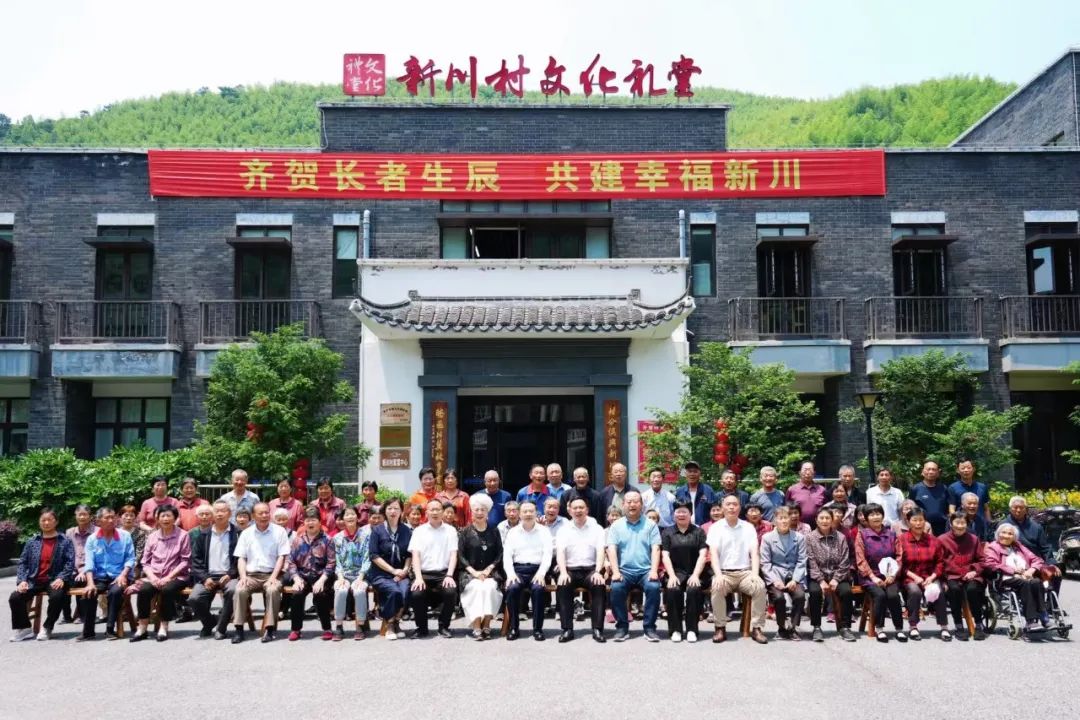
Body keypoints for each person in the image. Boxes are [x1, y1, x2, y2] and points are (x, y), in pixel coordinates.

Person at [707, 495, 768, 644]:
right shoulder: (715, 528)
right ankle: (720, 627)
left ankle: (757, 628)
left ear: (739, 508)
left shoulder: (748, 527)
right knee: (716, 586)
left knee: (759, 586)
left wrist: (755, 574)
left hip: (745, 572)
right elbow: (713, 554)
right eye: (728, 504)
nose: (731, 507)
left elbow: (754, 553)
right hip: (724, 573)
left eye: (735, 504)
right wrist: (718, 575)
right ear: (723, 508)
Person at [9, 508, 74, 642]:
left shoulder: (65, 541)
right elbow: (23, 562)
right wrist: (22, 580)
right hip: (34, 580)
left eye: (49, 520)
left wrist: (62, 577)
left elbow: (69, 562)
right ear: (39, 522)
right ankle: (25, 629)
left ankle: (47, 627)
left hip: (54, 579)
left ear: (56, 522)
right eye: (43, 520)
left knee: (57, 596)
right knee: (15, 597)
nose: (46, 523)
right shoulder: (32, 541)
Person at [607, 490, 662, 642]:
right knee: (616, 588)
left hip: (646, 570)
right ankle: (622, 627)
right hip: (624, 571)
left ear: (642, 505)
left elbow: (656, 549)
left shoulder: (650, 525)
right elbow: (612, 549)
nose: (632, 505)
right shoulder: (616, 525)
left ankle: (649, 628)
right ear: (623, 504)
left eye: (636, 501)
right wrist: (616, 572)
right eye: (629, 502)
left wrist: (653, 571)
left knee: (653, 587)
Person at [232, 502, 290, 644]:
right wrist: (243, 576)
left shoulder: (279, 531)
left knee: (272, 590)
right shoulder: (246, 533)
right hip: (251, 575)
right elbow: (241, 558)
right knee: (239, 590)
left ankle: (269, 629)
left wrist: (273, 577)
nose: (264, 515)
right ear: (253, 516)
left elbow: (281, 557)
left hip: (272, 574)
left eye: (266, 512)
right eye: (260, 513)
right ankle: (239, 629)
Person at [130, 505, 190, 642]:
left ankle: (164, 626)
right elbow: (145, 562)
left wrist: (168, 577)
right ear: (157, 518)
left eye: (169, 515)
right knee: (144, 590)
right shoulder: (152, 537)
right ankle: (142, 627)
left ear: (175, 518)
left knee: (167, 590)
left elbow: (185, 561)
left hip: (176, 576)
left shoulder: (183, 535)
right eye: (162, 516)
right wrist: (152, 577)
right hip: (155, 576)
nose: (165, 519)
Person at [554, 496, 607, 643]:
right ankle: (567, 629)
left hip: (590, 570)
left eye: (581, 508)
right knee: (563, 584)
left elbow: (601, 551)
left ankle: (597, 629)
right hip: (570, 569)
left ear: (587, 510)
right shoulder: (563, 530)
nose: (578, 510)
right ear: (569, 511)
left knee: (598, 585)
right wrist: (563, 572)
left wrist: (598, 571)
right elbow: (560, 553)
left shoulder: (597, 529)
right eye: (575, 508)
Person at [80, 507, 135, 641]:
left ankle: (110, 628)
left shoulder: (125, 536)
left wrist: (123, 575)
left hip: (120, 576)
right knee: (89, 593)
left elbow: (130, 559)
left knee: (115, 592)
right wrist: (90, 583)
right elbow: (89, 563)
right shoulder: (92, 539)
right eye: (107, 518)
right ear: (98, 521)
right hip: (100, 577)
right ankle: (88, 631)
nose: (111, 520)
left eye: (113, 517)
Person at [985, 523, 1051, 631]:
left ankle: (1043, 616)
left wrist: (1031, 570)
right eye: (1003, 532)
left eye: (1010, 534)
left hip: (1025, 576)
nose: (1006, 536)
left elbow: (1037, 560)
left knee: (1036, 582)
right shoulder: (993, 547)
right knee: (1025, 583)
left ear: (1014, 537)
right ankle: (1030, 621)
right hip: (1004, 578)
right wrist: (1013, 571)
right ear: (998, 534)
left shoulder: (1019, 546)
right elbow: (990, 564)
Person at [502, 499, 553, 641]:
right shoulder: (513, 532)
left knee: (538, 589)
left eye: (531, 511)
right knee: (512, 588)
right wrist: (510, 574)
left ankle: (537, 629)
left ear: (536, 513)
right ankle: (514, 628)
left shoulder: (544, 531)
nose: (528, 514)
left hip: (537, 570)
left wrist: (541, 573)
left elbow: (548, 555)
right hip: (518, 570)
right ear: (519, 514)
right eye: (525, 511)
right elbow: (507, 556)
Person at [188, 500, 239, 640]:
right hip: (208, 576)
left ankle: (221, 628)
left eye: (223, 511)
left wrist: (231, 574)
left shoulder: (237, 534)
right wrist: (205, 578)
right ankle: (210, 622)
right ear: (212, 514)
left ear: (229, 513)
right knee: (194, 598)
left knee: (233, 590)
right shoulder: (203, 534)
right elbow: (196, 560)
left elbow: (241, 559)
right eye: (217, 511)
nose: (220, 514)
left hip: (229, 576)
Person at [855, 502, 906, 642]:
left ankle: (899, 629)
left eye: (878, 514)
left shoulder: (891, 534)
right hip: (870, 576)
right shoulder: (862, 535)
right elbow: (860, 558)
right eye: (871, 514)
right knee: (880, 595)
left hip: (890, 575)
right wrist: (873, 577)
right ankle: (880, 628)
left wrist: (892, 575)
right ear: (866, 518)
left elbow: (899, 556)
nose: (876, 517)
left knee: (893, 595)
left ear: (882, 516)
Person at [408, 499, 459, 638]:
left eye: (438, 509)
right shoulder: (419, 531)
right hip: (423, 573)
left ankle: (444, 626)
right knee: (417, 593)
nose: (435, 512)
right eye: (432, 509)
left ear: (442, 512)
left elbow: (453, 554)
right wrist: (418, 578)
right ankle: (422, 628)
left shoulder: (450, 530)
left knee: (450, 592)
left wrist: (449, 575)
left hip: (443, 573)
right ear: (427, 512)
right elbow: (415, 556)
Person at [806, 507, 857, 642]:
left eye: (827, 518)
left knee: (846, 591)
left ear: (832, 520)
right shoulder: (810, 538)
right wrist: (820, 580)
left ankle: (845, 627)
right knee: (815, 592)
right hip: (818, 576)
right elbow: (811, 561)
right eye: (821, 518)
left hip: (838, 575)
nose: (824, 521)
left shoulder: (840, 537)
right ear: (816, 520)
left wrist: (836, 579)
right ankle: (816, 627)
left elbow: (845, 560)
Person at [660, 500, 708, 644]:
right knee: (673, 590)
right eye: (678, 512)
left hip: (695, 572)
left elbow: (703, 555)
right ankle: (676, 630)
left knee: (694, 590)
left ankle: (692, 629)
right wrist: (671, 575)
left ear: (690, 514)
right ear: (674, 514)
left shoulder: (698, 532)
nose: (681, 514)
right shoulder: (667, 532)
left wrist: (696, 575)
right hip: (675, 572)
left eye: (684, 512)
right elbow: (665, 556)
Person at [285, 506, 336, 641]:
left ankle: (327, 628)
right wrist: (296, 579)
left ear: (320, 522)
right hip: (302, 576)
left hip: (321, 576)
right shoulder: (297, 540)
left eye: (313, 520)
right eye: (307, 520)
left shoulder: (328, 540)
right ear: (304, 522)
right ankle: (295, 629)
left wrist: (322, 580)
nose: (310, 523)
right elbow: (291, 562)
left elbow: (331, 563)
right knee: (297, 594)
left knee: (320, 594)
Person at [898, 508, 949, 640]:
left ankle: (944, 626)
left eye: (921, 520)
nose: (918, 523)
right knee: (915, 592)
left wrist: (932, 577)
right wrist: (915, 577)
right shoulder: (901, 540)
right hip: (909, 577)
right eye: (914, 520)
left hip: (930, 576)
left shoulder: (934, 540)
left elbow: (940, 562)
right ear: (908, 522)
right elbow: (899, 563)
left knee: (939, 590)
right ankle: (913, 626)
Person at [458, 494, 503, 641]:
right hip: (470, 573)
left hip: (491, 572)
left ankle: (487, 624)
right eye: (476, 510)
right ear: (472, 512)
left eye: (483, 509)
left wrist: (489, 569)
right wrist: (475, 573)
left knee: (489, 588)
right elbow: (460, 555)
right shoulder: (465, 532)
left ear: (487, 512)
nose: (479, 512)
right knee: (476, 588)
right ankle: (477, 626)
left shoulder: (494, 531)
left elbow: (500, 553)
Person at [938, 511, 988, 641]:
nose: (960, 526)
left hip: (971, 574)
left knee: (973, 590)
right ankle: (958, 625)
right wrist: (943, 579)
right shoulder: (942, 540)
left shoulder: (974, 539)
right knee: (954, 590)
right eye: (957, 523)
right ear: (951, 523)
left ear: (967, 524)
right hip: (951, 575)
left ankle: (978, 624)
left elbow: (982, 560)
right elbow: (939, 562)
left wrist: (974, 571)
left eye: (963, 523)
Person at [760, 506, 807, 640]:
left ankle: (793, 627)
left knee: (800, 596)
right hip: (775, 575)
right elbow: (765, 563)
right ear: (775, 520)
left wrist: (795, 580)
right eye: (780, 518)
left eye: (786, 517)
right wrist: (775, 580)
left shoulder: (799, 537)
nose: (784, 521)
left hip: (793, 574)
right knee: (779, 598)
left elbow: (802, 560)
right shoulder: (767, 538)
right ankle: (781, 627)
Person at [368, 498, 411, 640]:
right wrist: (393, 571)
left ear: (401, 511)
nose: (393, 511)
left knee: (405, 590)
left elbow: (409, 554)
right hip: (381, 574)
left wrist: (404, 570)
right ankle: (390, 624)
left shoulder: (406, 530)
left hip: (401, 573)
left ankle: (396, 621)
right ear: (384, 511)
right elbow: (374, 556)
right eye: (390, 508)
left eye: (396, 508)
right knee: (394, 591)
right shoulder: (377, 530)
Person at [1007, 495, 1063, 594]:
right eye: (1015, 507)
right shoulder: (1004, 526)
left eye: (1021, 507)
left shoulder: (1036, 527)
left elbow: (1045, 548)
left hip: (1036, 563)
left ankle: (1051, 603)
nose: (1018, 510)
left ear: (1026, 509)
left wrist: (1052, 564)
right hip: (1016, 564)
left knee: (1055, 573)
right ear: (1010, 509)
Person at [332, 506, 370, 641]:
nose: (350, 517)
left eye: (352, 514)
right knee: (340, 590)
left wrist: (361, 577)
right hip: (344, 574)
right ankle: (339, 626)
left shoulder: (366, 536)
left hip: (361, 575)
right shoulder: (337, 538)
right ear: (342, 519)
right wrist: (340, 577)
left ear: (357, 517)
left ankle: (360, 626)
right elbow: (337, 560)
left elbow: (367, 558)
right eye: (347, 515)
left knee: (359, 591)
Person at [65, 504, 95, 623]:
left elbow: (97, 555)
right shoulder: (69, 532)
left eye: (85, 514)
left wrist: (84, 570)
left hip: (90, 569)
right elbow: (67, 553)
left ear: (90, 516)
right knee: (61, 582)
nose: (82, 517)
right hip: (72, 569)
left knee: (81, 580)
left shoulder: (97, 532)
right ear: (76, 516)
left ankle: (82, 615)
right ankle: (66, 615)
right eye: (79, 514)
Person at [909, 460, 950, 535]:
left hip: (943, 528)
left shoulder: (944, 488)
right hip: (923, 527)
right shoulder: (915, 489)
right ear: (922, 472)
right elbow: (911, 510)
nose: (931, 472)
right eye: (928, 469)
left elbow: (948, 508)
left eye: (934, 469)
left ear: (938, 473)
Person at [947, 458, 991, 522]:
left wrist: (989, 523)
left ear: (974, 469)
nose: (966, 470)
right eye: (963, 468)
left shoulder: (982, 487)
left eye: (968, 468)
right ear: (958, 470)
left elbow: (986, 509)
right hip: (963, 524)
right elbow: (951, 509)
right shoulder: (953, 488)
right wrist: (957, 523)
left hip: (980, 524)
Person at [785, 461, 828, 526]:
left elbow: (826, 509)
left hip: (818, 527)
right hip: (798, 528)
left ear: (814, 473)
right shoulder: (792, 490)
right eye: (805, 470)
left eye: (810, 470)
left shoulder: (822, 490)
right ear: (799, 473)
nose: (807, 473)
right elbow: (786, 509)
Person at [674, 460, 716, 526]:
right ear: (685, 473)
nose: (692, 474)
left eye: (695, 471)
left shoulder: (708, 490)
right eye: (689, 471)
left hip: (704, 528)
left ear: (700, 473)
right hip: (685, 528)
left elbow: (715, 511)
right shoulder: (680, 492)